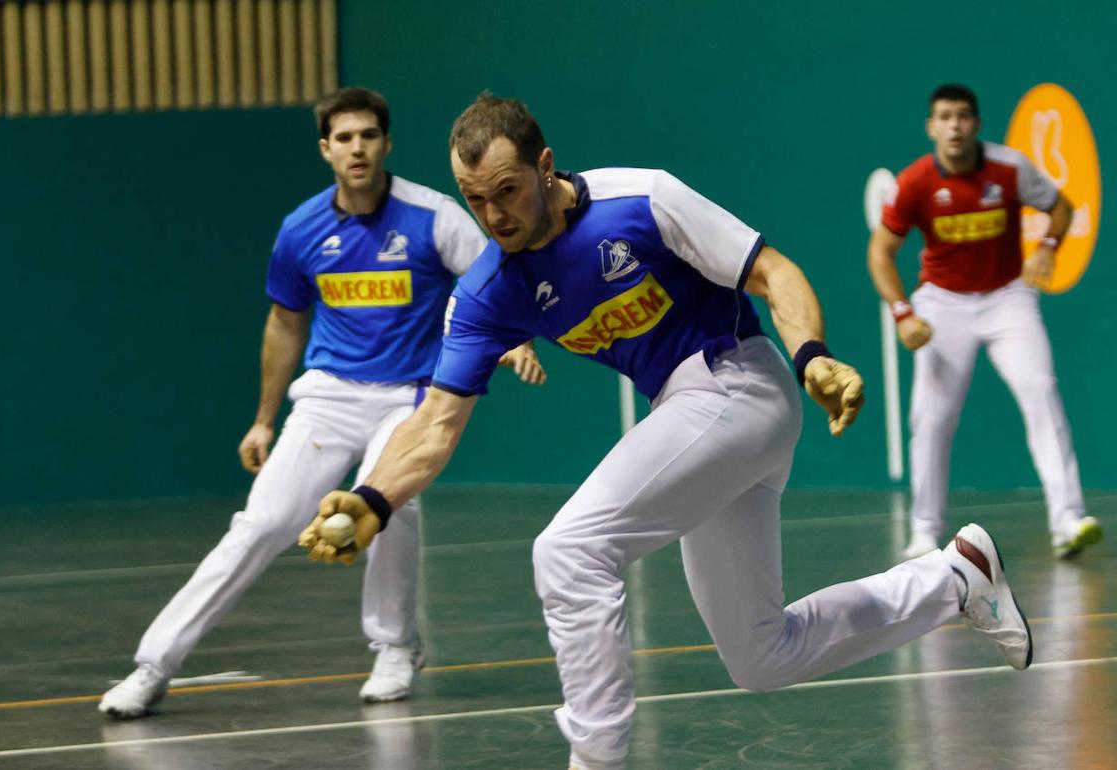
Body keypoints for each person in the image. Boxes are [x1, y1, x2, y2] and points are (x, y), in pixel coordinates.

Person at [300, 93, 1034, 770]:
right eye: (476, 201)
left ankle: (598, 757)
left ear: (544, 167)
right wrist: (371, 501)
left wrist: (812, 355)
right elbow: (434, 423)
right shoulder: (490, 289)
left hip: (736, 382)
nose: (494, 217)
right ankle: (953, 578)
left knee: (569, 550)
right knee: (761, 655)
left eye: (507, 192)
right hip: (692, 418)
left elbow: (772, 272)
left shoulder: (640, 198)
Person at [99, 87, 545, 719]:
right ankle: (154, 664)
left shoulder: (433, 214)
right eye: (344, 138)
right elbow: (285, 323)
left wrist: (517, 338)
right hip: (328, 394)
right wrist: (262, 419)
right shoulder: (302, 228)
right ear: (326, 150)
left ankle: (395, 646)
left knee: (388, 499)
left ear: (386, 143)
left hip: (410, 393)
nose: (357, 147)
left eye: (368, 135)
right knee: (261, 524)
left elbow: (495, 275)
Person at [868, 83, 1102, 560]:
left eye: (963, 117)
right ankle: (923, 531)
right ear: (931, 127)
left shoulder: (1009, 168)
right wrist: (902, 313)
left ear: (976, 124)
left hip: (1007, 297)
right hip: (942, 303)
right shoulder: (914, 183)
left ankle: (1069, 520)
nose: (954, 126)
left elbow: (1060, 207)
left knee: (1041, 390)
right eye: (944, 117)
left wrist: (1049, 248)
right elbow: (881, 253)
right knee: (931, 416)